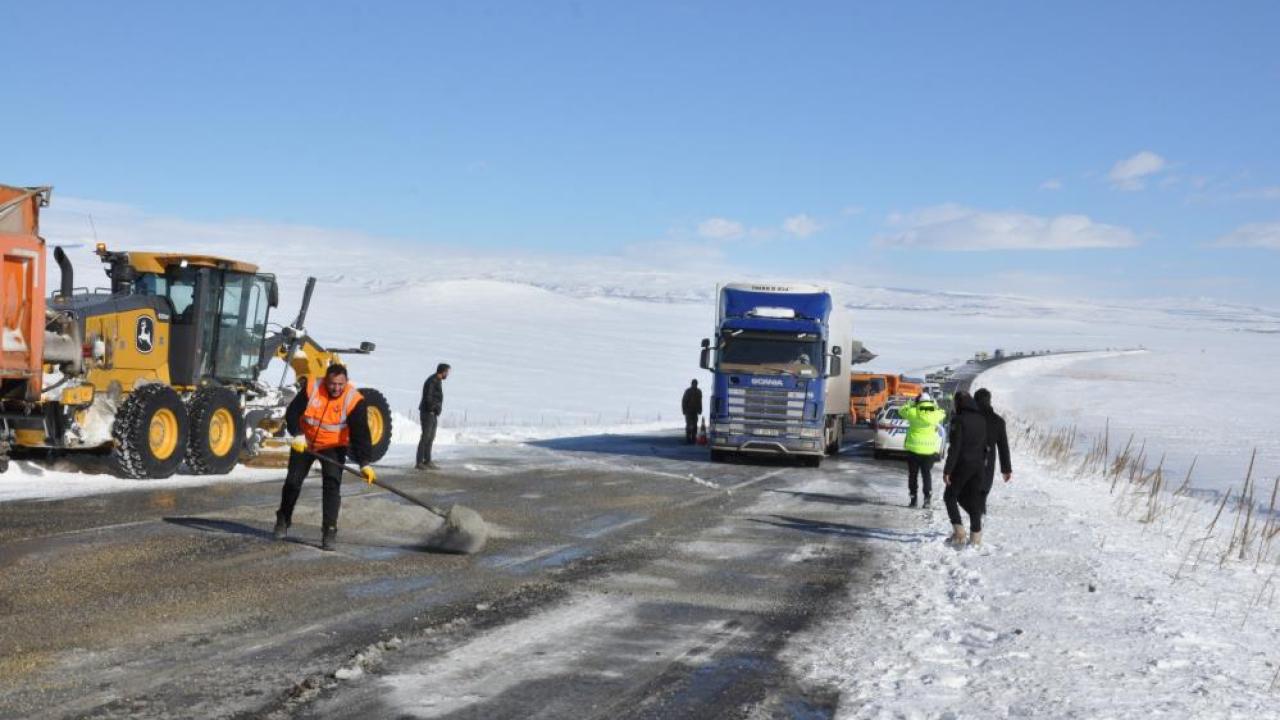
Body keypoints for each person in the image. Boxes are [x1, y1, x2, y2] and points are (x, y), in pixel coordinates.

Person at [273, 364, 375, 551]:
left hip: (333, 447)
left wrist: (365, 463)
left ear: (346, 382)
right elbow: (293, 412)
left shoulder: (354, 400)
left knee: (332, 485)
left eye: (340, 384)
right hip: (305, 442)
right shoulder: (312, 388)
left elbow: (361, 433)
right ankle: (283, 519)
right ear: (326, 380)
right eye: (332, 383)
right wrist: (297, 433)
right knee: (293, 482)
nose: (336, 388)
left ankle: (329, 531)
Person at [942, 390, 988, 546]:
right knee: (972, 500)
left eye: (955, 403)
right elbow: (984, 446)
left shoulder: (959, 420)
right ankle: (976, 538)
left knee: (949, 496)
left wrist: (948, 470)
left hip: (963, 465)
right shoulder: (982, 420)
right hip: (979, 466)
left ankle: (959, 533)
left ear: (959, 403)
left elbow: (955, 447)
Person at [972, 387, 1013, 534]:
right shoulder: (998, 421)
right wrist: (1006, 470)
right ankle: (980, 518)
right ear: (989, 401)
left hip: (969, 461)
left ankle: (976, 522)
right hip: (988, 464)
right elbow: (1003, 447)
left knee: (971, 493)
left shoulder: (970, 418)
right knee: (982, 492)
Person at [898, 391, 946, 508]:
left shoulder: (913, 412)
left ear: (918, 401)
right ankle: (927, 499)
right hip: (929, 450)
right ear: (929, 402)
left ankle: (913, 499)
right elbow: (943, 413)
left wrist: (911, 403)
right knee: (926, 474)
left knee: (913, 475)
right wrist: (934, 405)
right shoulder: (934, 413)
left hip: (913, 449)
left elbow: (901, 411)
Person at [417, 363, 450, 470]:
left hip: (433, 413)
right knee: (425, 437)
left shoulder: (438, 380)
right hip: (428, 413)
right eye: (447, 372)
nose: (447, 374)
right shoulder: (432, 381)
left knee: (431, 437)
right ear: (442, 371)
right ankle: (419, 462)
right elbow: (428, 397)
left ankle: (428, 460)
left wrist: (436, 410)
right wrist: (433, 408)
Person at [681, 379, 703, 444]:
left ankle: (693, 437)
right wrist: (684, 410)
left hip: (695, 411)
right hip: (688, 411)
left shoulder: (699, 391)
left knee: (695, 425)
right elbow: (684, 401)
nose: (694, 385)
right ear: (692, 384)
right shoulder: (688, 391)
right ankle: (688, 437)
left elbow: (700, 402)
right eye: (693, 383)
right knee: (688, 425)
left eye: (695, 384)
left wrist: (700, 409)